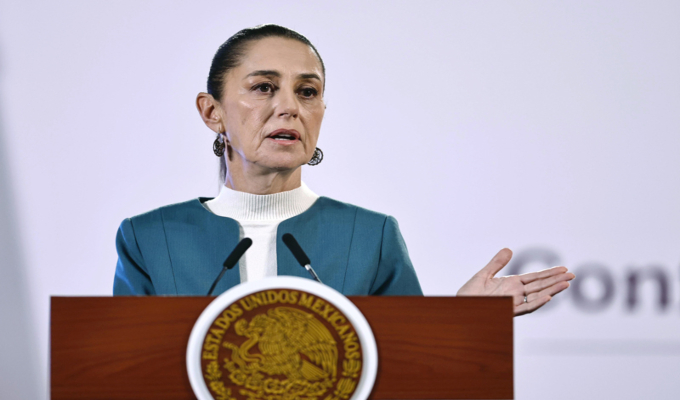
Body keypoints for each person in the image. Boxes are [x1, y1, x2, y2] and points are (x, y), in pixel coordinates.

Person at [114, 24, 574, 316]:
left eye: (307, 92)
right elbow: (125, 371)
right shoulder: (149, 238)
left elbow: (407, 371)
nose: (290, 107)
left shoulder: (370, 236)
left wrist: (458, 321)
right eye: (264, 87)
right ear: (212, 112)